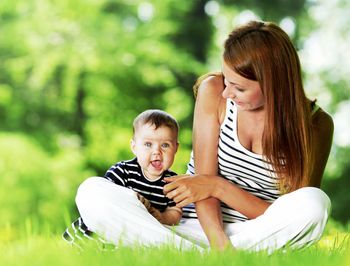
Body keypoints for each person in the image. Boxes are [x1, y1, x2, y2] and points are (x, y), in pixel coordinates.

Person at [72, 20, 334, 252]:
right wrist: (219, 244)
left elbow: (286, 212)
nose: (226, 93)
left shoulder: (316, 126)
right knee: (92, 192)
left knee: (314, 204)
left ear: (274, 85)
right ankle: (201, 255)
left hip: (257, 234)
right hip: (191, 226)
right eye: (227, 79)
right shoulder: (214, 91)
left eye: (239, 87)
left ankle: (173, 253)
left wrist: (218, 186)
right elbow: (201, 187)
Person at [63, 109, 185, 248]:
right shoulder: (123, 170)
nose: (157, 151)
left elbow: (175, 213)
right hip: (112, 225)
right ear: (134, 147)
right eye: (148, 144)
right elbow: (105, 200)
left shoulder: (173, 182)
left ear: (176, 148)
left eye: (165, 145)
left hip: (143, 234)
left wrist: (162, 217)